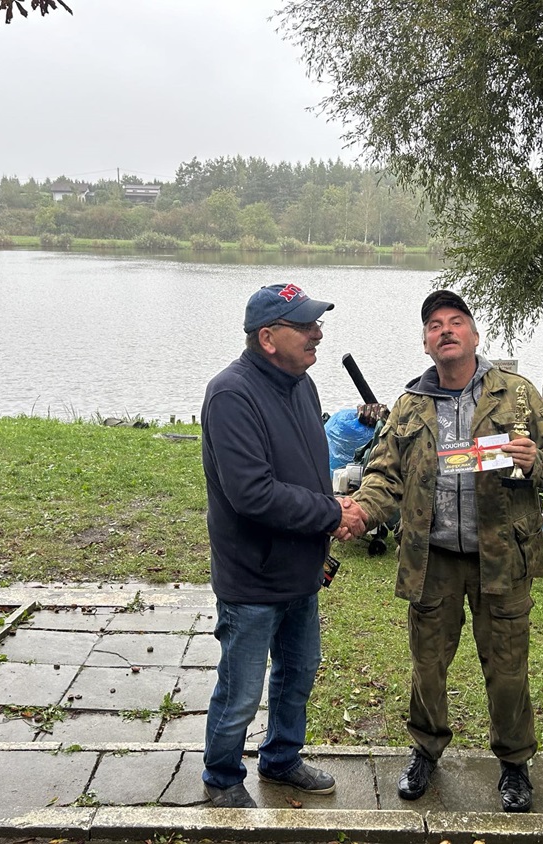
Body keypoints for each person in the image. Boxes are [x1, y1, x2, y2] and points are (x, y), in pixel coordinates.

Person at [341, 290, 543, 812]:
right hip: (433, 558)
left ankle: (514, 764)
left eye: (455, 321)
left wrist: (535, 461)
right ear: (426, 344)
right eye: (434, 325)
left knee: (508, 669)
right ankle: (425, 751)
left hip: (503, 559)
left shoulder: (515, 394)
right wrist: (359, 512)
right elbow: (384, 475)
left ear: (474, 335)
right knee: (427, 665)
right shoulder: (410, 405)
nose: (445, 330)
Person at [200, 282, 364, 809]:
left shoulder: (302, 384)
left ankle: (281, 758)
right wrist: (331, 513)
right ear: (268, 338)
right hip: (252, 577)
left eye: (317, 323)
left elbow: (309, 472)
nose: (318, 334)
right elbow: (252, 494)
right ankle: (222, 776)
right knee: (242, 689)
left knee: (298, 674)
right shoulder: (231, 394)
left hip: (301, 569)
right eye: (305, 326)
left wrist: (333, 508)